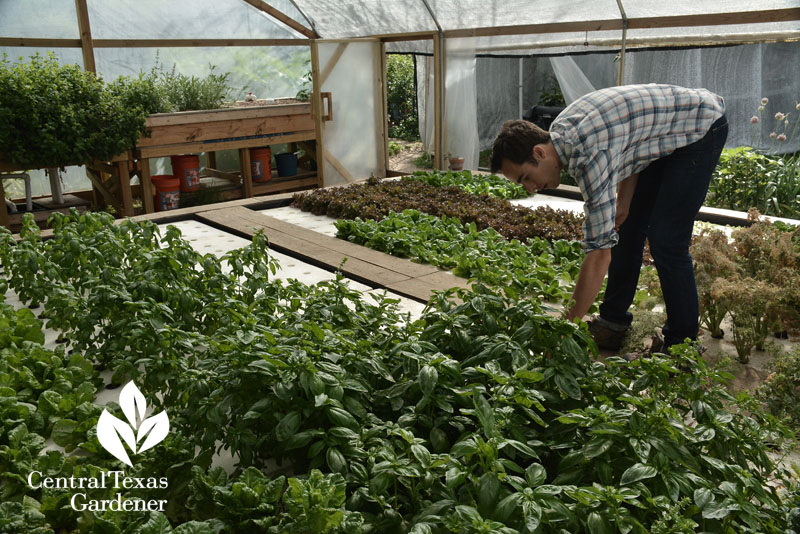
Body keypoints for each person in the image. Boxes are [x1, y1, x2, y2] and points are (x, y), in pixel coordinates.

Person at [490, 84, 728, 353]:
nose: (530, 189)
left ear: (539, 153)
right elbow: (630, 147)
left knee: (667, 239)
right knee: (625, 226)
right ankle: (613, 323)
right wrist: (623, 205)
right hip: (661, 132)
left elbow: (599, 255)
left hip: (699, 125)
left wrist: (566, 326)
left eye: (526, 178)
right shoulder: (561, 133)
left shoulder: (589, 154)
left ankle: (682, 346)